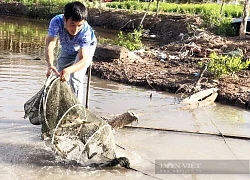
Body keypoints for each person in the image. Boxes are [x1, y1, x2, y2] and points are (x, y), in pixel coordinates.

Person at [45, 1, 97, 104]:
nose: (75, 29)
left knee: (75, 78)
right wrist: (50, 65)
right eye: (72, 24)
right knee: (59, 76)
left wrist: (70, 70)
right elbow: (50, 45)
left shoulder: (85, 31)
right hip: (68, 46)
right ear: (65, 19)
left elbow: (82, 60)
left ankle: (76, 110)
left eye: (79, 25)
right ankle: (62, 105)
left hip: (85, 49)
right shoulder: (56, 21)